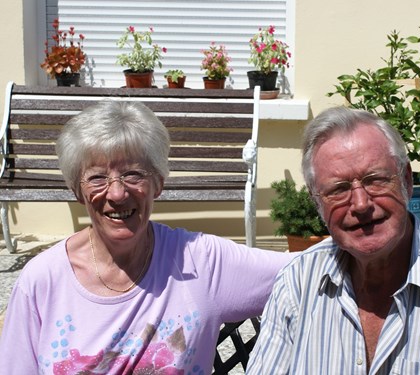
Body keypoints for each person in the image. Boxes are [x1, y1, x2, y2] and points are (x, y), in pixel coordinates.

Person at [0, 101, 293, 374]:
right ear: (78, 191)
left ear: (158, 184)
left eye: (133, 174)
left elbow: (306, 270)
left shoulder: (199, 260)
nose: (117, 193)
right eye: (98, 177)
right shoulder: (41, 282)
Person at [247, 107, 420, 374]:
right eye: (339, 189)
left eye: (375, 180)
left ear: (406, 181)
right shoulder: (298, 281)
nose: (361, 204)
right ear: (316, 201)